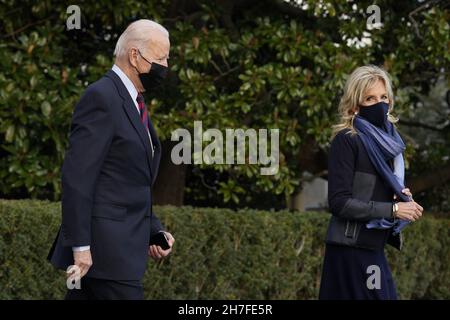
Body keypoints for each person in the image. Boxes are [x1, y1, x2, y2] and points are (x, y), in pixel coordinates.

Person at [47, 19, 175, 300]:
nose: (166, 65)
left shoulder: (132, 101)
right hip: (105, 254)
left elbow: (126, 181)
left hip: (116, 253)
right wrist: (80, 246)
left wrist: (154, 231)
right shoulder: (102, 97)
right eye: (161, 57)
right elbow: (78, 177)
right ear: (134, 56)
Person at [319, 65, 424, 300]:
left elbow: (372, 191)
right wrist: (394, 209)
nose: (380, 103)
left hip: (373, 248)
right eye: (370, 98)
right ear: (355, 105)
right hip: (351, 251)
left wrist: (396, 195)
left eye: (383, 97)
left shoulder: (389, 143)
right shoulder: (347, 140)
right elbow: (339, 203)